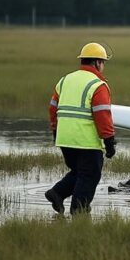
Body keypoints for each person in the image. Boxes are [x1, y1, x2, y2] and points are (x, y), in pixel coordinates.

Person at [45, 42, 117, 215]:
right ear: (97, 62)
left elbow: (53, 108)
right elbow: (103, 115)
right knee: (90, 175)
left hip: (64, 138)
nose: (103, 66)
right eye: (103, 62)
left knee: (79, 172)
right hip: (86, 141)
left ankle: (57, 193)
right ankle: (79, 210)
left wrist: (55, 131)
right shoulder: (97, 85)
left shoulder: (65, 80)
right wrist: (109, 142)